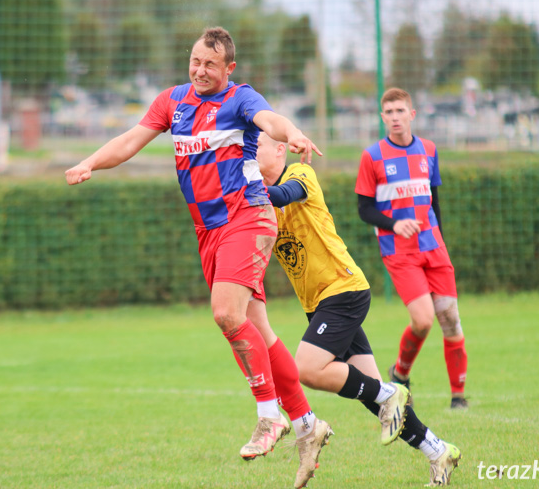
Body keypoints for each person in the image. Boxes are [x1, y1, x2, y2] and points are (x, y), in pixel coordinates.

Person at [66, 27, 330, 488]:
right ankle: (308, 425)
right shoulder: (173, 102)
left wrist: (295, 133)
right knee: (258, 329)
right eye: (194, 61)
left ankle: (271, 416)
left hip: (247, 216)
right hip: (209, 231)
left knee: (226, 314)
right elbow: (130, 141)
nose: (200, 71)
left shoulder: (240, 99)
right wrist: (90, 162)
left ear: (229, 68)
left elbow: (272, 121)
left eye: (210, 64)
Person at [256, 132, 461, 486]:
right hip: (320, 303)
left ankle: (391, 392)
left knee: (305, 368)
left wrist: (244, 190)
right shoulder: (260, 205)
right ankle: (438, 450)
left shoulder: (299, 175)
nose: (247, 153)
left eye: (253, 146)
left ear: (278, 149)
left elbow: (285, 194)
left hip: (343, 290)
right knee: (372, 395)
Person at [355, 88, 469, 410]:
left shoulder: (429, 150)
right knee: (423, 321)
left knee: (450, 319)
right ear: (382, 117)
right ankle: (400, 374)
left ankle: (458, 398)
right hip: (399, 252)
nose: (394, 117)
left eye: (399, 111)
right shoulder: (372, 156)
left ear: (412, 114)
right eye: (388, 112)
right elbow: (364, 209)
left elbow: (435, 202)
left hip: (434, 249)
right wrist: (394, 224)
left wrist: (441, 241)